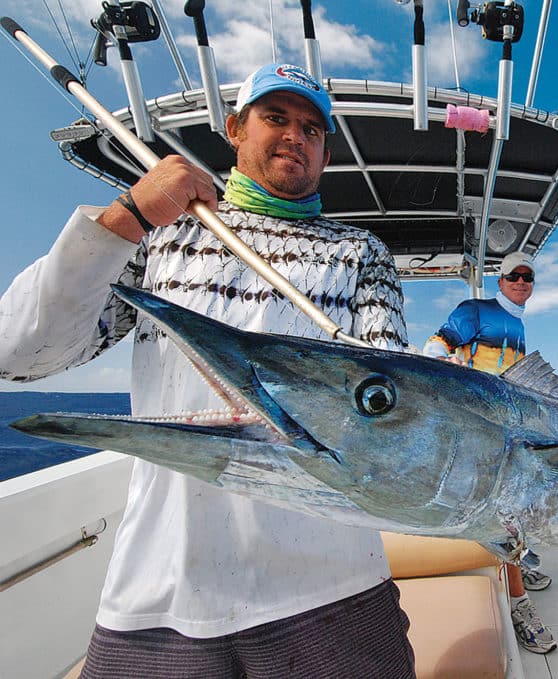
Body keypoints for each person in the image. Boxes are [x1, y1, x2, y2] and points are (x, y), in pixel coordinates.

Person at [0, 64, 416, 678]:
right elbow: (18, 355)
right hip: (162, 591)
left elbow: (389, 417)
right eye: (275, 118)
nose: (295, 136)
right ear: (234, 130)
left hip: (334, 585)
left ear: (326, 151)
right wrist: (124, 220)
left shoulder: (361, 255)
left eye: (312, 128)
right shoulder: (161, 236)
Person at [422, 251, 557, 654]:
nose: (520, 281)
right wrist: (464, 391)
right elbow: (434, 348)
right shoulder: (475, 310)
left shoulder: (516, 323)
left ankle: (520, 561)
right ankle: (519, 604)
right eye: (513, 276)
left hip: (510, 430)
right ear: (501, 281)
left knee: (526, 500)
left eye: (527, 277)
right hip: (480, 433)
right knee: (505, 515)